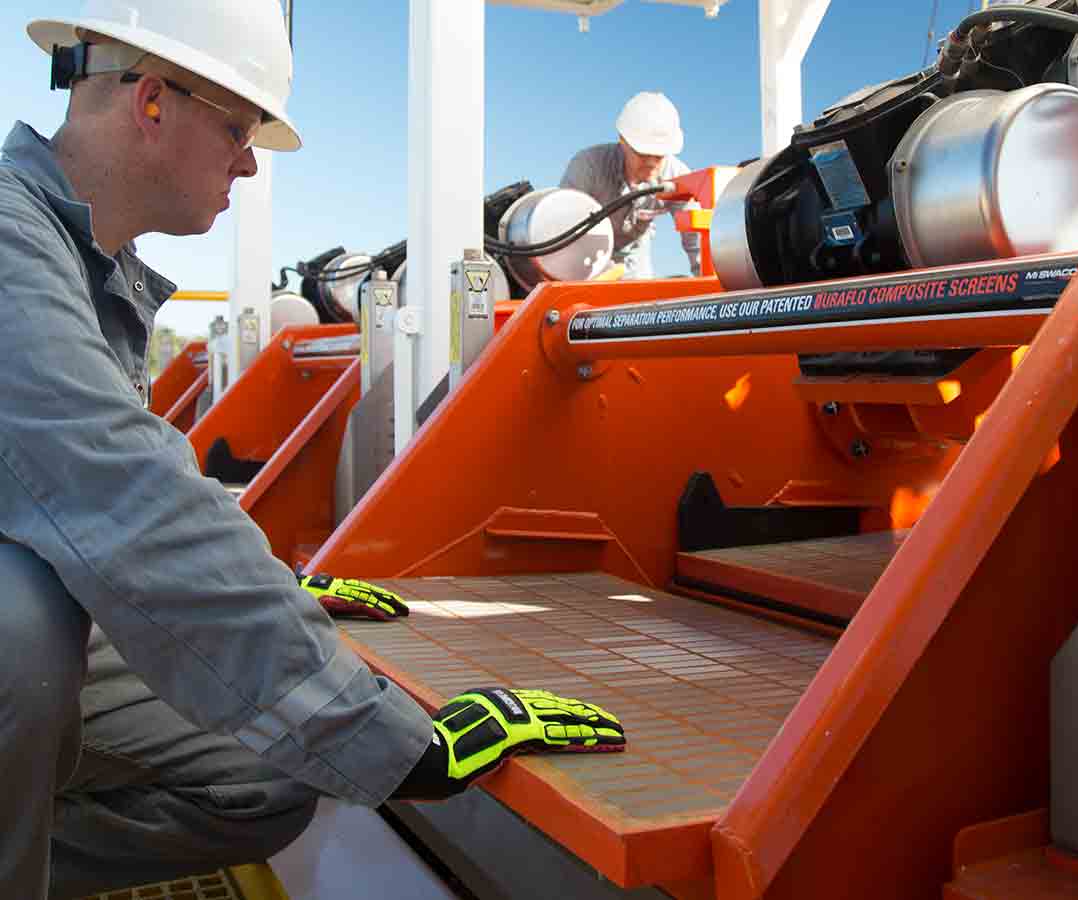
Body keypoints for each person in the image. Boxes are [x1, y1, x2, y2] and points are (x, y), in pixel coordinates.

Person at [0, 3, 623, 898]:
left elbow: (132, 475)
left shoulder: (82, 257)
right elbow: (126, 501)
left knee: (261, 777)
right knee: (19, 622)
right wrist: (406, 743)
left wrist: (271, 588)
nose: (249, 161)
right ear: (150, 103)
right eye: (240, 128)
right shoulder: (12, 246)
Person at [560, 91, 701, 280]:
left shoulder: (678, 178)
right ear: (623, 140)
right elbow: (563, 226)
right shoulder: (588, 165)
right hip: (586, 255)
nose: (651, 163)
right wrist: (602, 272)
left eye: (659, 156)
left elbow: (697, 239)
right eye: (643, 154)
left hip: (635, 259)